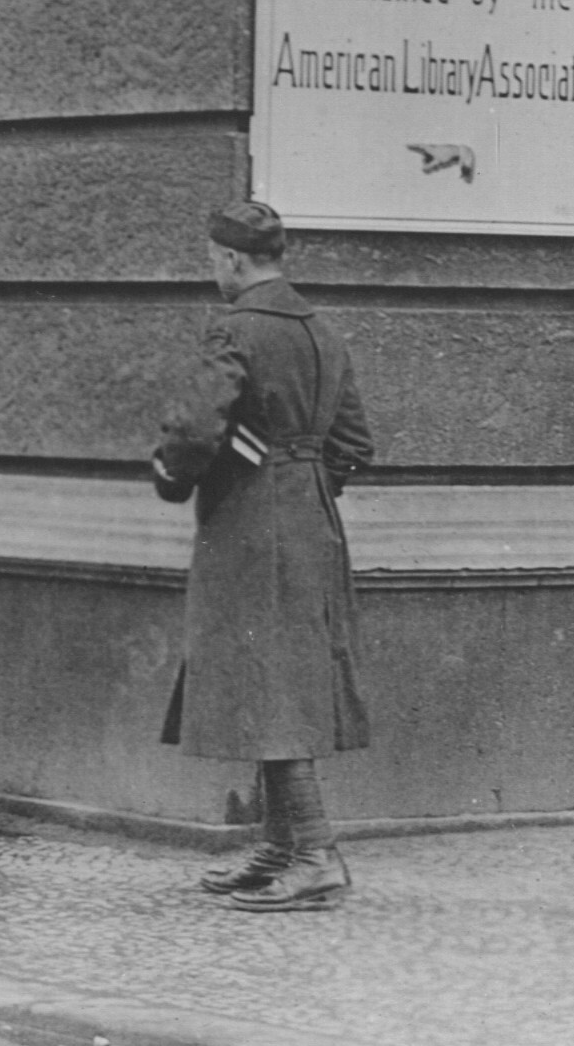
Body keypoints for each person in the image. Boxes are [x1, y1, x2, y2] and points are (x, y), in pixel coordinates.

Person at [151, 198, 374, 911]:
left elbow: (190, 431)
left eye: (216, 260)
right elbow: (353, 445)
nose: (214, 271)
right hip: (311, 518)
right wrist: (300, 480)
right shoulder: (321, 330)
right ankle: (280, 847)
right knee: (276, 676)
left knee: (270, 685)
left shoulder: (233, 329)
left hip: (250, 524)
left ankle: (314, 853)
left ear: (234, 259)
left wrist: (174, 476)